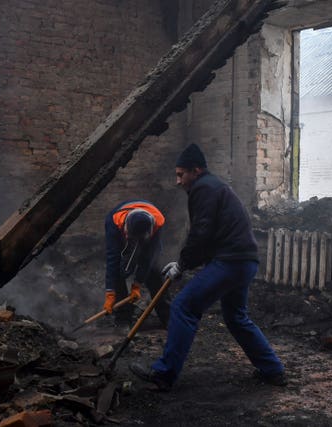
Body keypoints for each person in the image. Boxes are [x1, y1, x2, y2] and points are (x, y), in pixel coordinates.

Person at [129, 143, 286, 391]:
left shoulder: (203, 189)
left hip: (231, 261)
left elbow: (201, 234)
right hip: (245, 261)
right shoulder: (214, 187)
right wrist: (183, 262)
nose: (178, 181)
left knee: (183, 305)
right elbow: (210, 236)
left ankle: (164, 373)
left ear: (196, 170)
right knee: (236, 317)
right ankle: (273, 370)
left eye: (181, 174)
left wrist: (182, 265)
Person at [103, 200, 170, 328]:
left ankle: (168, 317)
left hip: (147, 239)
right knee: (118, 270)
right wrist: (110, 292)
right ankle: (123, 318)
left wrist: (137, 285)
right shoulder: (113, 222)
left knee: (154, 272)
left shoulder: (157, 222)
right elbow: (112, 259)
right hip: (122, 237)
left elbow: (148, 258)